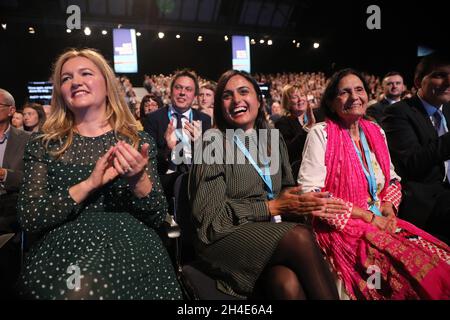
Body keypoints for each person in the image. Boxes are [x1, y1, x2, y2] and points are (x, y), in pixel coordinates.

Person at [16, 48, 182, 300]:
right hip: (62, 245)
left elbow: (158, 215)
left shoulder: (137, 141)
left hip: (131, 243)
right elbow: (30, 217)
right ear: (60, 92)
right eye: (66, 78)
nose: (76, 82)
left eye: (85, 73)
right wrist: (89, 184)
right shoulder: (42, 144)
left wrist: (139, 181)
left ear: (107, 85)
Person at [189, 70, 342, 300]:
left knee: (286, 283)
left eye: (244, 92)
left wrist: (306, 201)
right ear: (220, 106)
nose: (237, 100)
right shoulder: (212, 143)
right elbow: (210, 221)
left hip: (268, 233)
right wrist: (270, 208)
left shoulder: (272, 138)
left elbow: (286, 189)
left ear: (259, 101)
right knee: (300, 237)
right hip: (222, 239)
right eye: (227, 96)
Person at [299, 68, 450, 299]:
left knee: (440, 266)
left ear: (368, 95)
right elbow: (311, 195)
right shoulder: (321, 133)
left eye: (359, 90)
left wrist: (389, 208)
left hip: (382, 219)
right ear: (331, 102)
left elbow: (392, 179)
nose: (354, 97)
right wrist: (368, 217)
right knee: (401, 281)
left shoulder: (375, 131)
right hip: (342, 228)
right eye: (344, 92)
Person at [382, 53, 450, 244]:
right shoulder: (398, 112)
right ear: (419, 81)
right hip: (427, 200)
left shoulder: (448, 109)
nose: (448, 81)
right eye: (440, 75)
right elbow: (412, 162)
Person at [144, 69, 211, 201]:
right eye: (178, 88)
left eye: (188, 89)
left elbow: (209, 159)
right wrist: (168, 149)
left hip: (196, 185)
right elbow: (148, 159)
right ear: (171, 91)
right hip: (163, 185)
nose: (182, 93)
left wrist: (199, 144)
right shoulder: (153, 118)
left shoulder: (204, 120)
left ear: (194, 95)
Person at [0, 89, 30, 233]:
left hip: (11, 214)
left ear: (11, 110)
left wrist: (5, 174)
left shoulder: (28, 139)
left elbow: (33, 178)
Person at [275, 84, 316, 176]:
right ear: (287, 102)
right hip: (296, 175)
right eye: (295, 97)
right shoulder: (282, 123)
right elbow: (287, 151)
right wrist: (307, 128)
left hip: (315, 171)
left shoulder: (313, 118)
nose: (300, 99)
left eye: (302, 95)